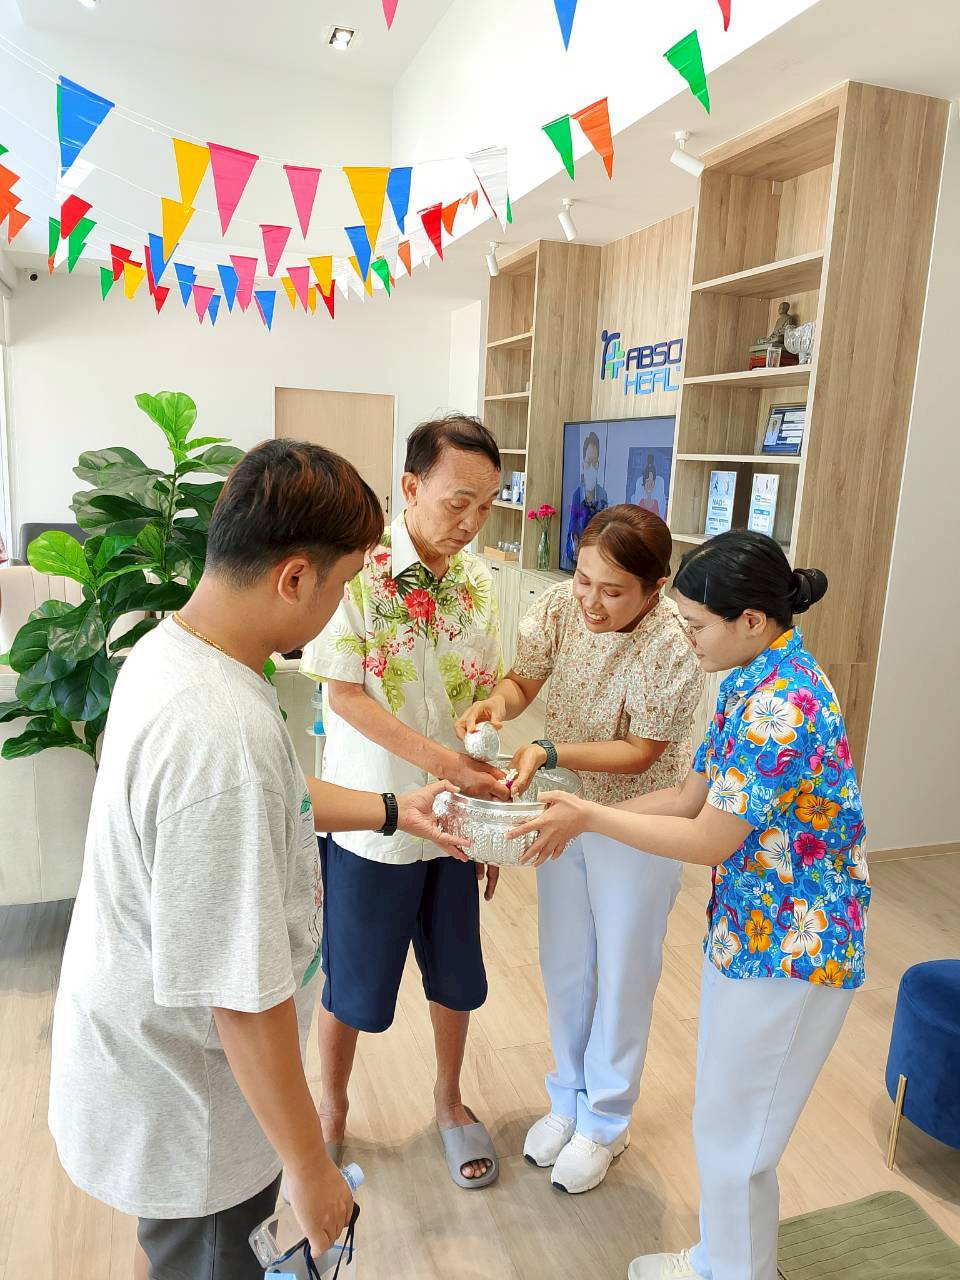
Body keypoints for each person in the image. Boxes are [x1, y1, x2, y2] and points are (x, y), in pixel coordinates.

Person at [48, 440, 467, 1280]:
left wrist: (392, 809)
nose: (340, 604)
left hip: (151, 1062)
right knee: (209, 1261)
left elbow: (267, 796)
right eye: (342, 584)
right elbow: (242, 998)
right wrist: (310, 1168)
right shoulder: (221, 737)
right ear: (294, 578)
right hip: (194, 1104)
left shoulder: (175, 652)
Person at [508, 531, 869, 1280]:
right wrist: (581, 821)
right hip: (751, 930)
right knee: (726, 1122)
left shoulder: (783, 704)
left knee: (738, 1136)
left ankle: (728, 1269)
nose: (687, 637)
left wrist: (589, 816)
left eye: (697, 624)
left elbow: (708, 838)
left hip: (797, 943)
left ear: (751, 621)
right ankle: (719, 1259)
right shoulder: (748, 680)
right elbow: (685, 796)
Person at [459, 506, 703, 1194]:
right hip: (563, 809)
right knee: (566, 961)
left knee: (623, 970)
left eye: (613, 590)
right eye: (585, 579)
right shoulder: (563, 605)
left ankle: (606, 1118)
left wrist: (549, 749)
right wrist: (498, 706)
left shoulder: (673, 645)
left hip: (637, 821)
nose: (591, 601)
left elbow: (642, 751)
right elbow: (524, 678)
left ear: (655, 588)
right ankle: (566, 1098)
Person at [300, 414, 509, 1191]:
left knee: (456, 975)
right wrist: (444, 763)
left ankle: (449, 1101)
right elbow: (345, 695)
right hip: (373, 818)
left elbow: (483, 696)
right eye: (459, 501)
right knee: (352, 982)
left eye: (486, 505)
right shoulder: (356, 571)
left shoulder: (480, 582)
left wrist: (486, 805)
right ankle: (331, 1109)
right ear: (411, 487)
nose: (472, 521)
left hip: (455, 822)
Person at [565, 431, 609, 565]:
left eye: (595, 463)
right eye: (589, 462)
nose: (592, 468)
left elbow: (605, 531)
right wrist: (575, 549)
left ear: (598, 465)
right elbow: (571, 533)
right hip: (577, 561)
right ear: (583, 465)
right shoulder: (577, 495)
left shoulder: (602, 494)